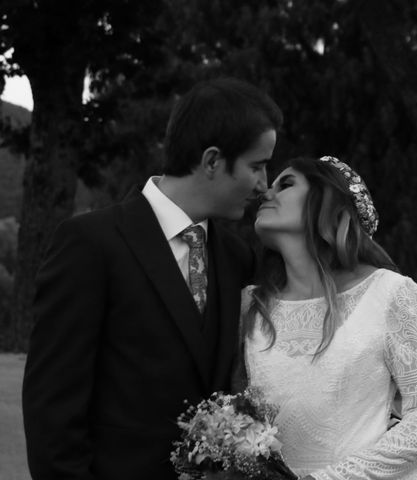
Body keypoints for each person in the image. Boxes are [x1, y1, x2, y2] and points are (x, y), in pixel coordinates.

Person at [22, 77, 282, 480]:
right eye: (257, 166)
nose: (264, 186)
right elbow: (53, 409)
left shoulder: (236, 257)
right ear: (212, 161)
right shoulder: (90, 244)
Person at [241, 155, 417, 480]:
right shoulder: (250, 305)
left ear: (329, 204)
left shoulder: (390, 294)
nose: (265, 193)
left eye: (286, 184)